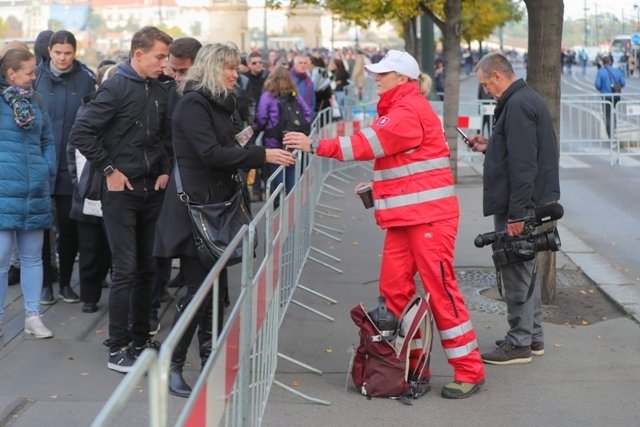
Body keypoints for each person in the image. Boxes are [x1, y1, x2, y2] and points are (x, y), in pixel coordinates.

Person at [284, 49, 485, 399]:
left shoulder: (407, 110)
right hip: (408, 217)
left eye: (384, 73)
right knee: (394, 292)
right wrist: (379, 188)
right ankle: (410, 364)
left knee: (441, 291)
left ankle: (469, 370)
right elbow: (409, 165)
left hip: (429, 219)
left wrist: (315, 144)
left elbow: (366, 145)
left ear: (403, 78)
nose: (376, 77)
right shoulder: (400, 108)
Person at [153, 42, 296, 397]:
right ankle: (171, 362)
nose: (236, 73)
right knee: (198, 291)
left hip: (220, 204)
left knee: (217, 292)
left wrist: (251, 150)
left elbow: (233, 141)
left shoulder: (225, 101)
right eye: (229, 67)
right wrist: (262, 154)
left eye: (237, 66)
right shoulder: (192, 103)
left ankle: (210, 361)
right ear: (212, 69)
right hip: (195, 209)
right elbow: (211, 153)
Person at [69, 26, 173, 373]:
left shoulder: (161, 90)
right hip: (121, 193)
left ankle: (140, 339)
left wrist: (164, 169)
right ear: (138, 54)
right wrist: (110, 169)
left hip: (151, 190)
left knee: (147, 268)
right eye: (160, 56)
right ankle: (117, 347)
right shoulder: (115, 87)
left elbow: (163, 136)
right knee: (126, 270)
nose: (165, 63)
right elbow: (81, 132)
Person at [466, 52, 560, 366]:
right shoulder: (523, 101)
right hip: (525, 201)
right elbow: (521, 152)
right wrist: (489, 145)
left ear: (497, 75)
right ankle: (531, 337)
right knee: (524, 269)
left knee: (516, 270)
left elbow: (523, 165)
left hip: (518, 205)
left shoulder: (517, 105)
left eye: (485, 84)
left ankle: (519, 343)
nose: (485, 90)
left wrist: (518, 214)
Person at [34, 30, 96, 306]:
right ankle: (45, 283)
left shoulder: (85, 80)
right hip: (39, 165)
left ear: (75, 53)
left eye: (67, 53)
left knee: (69, 229)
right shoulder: (34, 77)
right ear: (50, 50)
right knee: (41, 229)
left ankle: (65, 282)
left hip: (71, 168)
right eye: (58, 52)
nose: (62, 58)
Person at [0, 47, 56, 339]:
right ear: (12, 74)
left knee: (33, 257)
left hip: (33, 190)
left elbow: (47, 139)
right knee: (0, 258)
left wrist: (45, 168)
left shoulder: (36, 101)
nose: (35, 76)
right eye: (30, 71)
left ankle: (33, 316)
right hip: (4, 190)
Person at [256, 66, 312, 197]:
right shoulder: (294, 95)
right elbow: (307, 112)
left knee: (276, 177)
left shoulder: (268, 95)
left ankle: (277, 209)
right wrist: (300, 128)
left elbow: (261, 117)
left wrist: (262, 128)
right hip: (291, 140)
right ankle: (291, 205)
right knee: (291, 170)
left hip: (273, 141)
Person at [594, 55, 625, 138]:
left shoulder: (600, 72)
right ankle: (614, 129)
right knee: (614, 112)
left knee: (607, 115)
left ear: (603, 63)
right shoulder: (617, 71)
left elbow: (597, 85)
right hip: (615, 96)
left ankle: (609, 133)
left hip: (605, 97)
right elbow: (623, 83)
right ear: (611, 62)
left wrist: (602, 89)